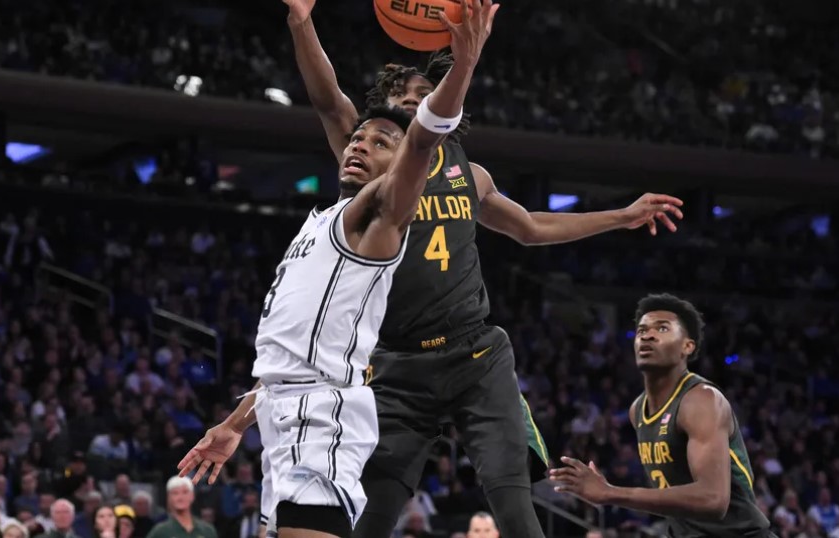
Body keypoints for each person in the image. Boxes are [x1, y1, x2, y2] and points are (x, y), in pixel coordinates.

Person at [276, 1, 685, 537]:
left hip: (475, 354)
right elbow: (328, 99)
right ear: (388, 111)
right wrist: (302, 21)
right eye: (408, 98)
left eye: (428, 96)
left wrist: (622, 216)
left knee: (513, 501)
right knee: (374, 512)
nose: (421, 104)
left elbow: (532, 228)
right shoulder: (371, 153)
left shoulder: (473, 174)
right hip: (396, 364)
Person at [178, 3, 495, 536]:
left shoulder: (379, 220)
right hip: (283, 416)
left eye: (380, 143)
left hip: (323, 419)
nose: (360, 145)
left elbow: (422, 137)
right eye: (357, 138)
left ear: (403, 170)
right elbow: (291, 356)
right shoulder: (318, 224)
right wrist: (235, 424)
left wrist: (463, 64)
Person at [550, 293, 776, 538]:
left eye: (662, 328)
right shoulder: (638, 410)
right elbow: (673, 495)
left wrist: (610, 492)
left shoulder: (701, 400)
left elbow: (713, 500)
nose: (647, 335)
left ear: (687, 346)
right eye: (641, 330)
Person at [146, 477, 216, 538]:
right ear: (169, 498)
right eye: (175, 493)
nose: (180, 497)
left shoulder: (207, 530)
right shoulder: (160, 532)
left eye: (185, 492)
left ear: (192, 496)